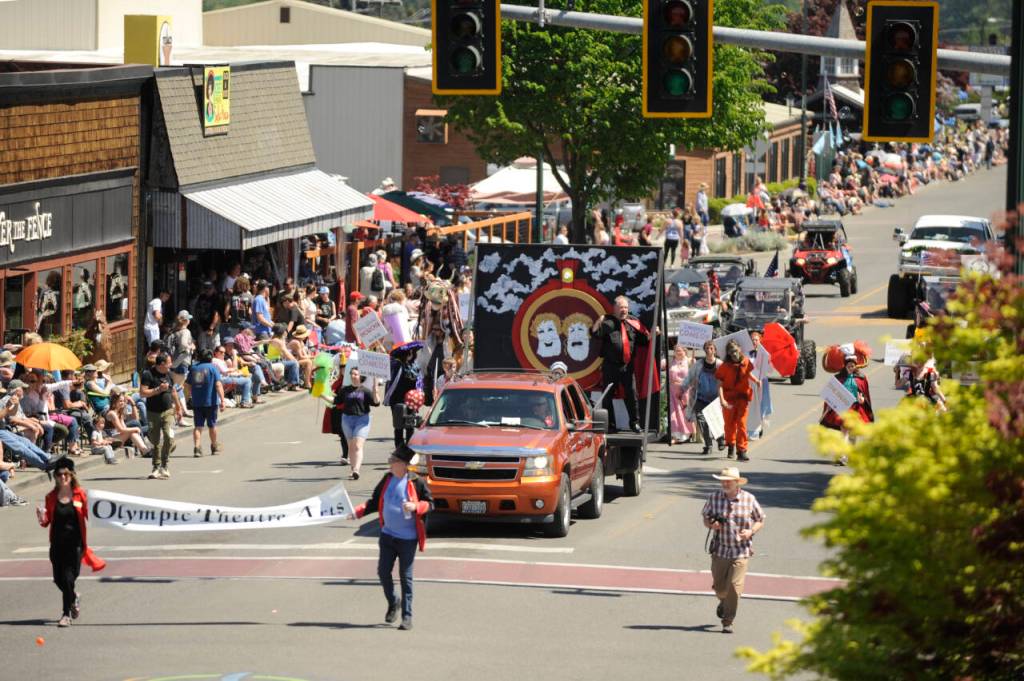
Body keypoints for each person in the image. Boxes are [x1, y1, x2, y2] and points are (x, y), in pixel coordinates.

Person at [348, 445, 434, 631]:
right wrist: (357, 513)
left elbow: (431, 504)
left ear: (403, 465)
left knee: (406, 577)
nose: (390, 463)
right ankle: (393, 601)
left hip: (408, 539)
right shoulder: (387, 479)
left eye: (393, 460)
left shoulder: (417, 482)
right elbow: (374, 501)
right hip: (387, 535)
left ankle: (407, 617)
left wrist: (415, 506)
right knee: (383, 573)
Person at [36, 457, 106, 627]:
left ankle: (65, 614)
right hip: (57, 545)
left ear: (72, 475)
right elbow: (47, 522)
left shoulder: (80, 494)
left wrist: (109, 515)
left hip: (75, 545)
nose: (63, 477)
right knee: (58, 579)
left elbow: (94, 515)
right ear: (55, 476)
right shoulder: (51, 497)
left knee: (68, 579)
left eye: (66, 474)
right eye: (59, 475)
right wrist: (41, 517)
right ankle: (74, 597)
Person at [701, 466, 765, 634]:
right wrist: (711, 524)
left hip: (741, 551)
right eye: (723, 480)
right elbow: (705, 518)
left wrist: (751, 531)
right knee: (720, 588)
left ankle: (728, 620)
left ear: (737, 483)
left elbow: (760, 519)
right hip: (720, 550)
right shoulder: (714, 498)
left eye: (728, 481)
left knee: (735, 588)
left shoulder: (749, 499)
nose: (725, 483)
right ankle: (723, 601)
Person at [591, 296, 650, 432]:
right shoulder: (608, 322)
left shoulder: (634, 322)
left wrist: (653, 334)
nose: (624, 310)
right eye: (621, 307)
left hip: (627, 367)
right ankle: (610, 425)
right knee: (607, 396)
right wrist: (599, 321)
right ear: (615, 308)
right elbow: (595, 334)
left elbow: (644, 340)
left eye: (626, 307)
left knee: (632, 394)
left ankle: (634, 423)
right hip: (610, 366)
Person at [820, 352, 874, 466]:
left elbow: (865, 395)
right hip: (843, 408)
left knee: (853, 433)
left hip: (856, 408)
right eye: (849, 366)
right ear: (845, 366)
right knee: (844, 431)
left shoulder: (861, 379)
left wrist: (862, 400)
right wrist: (828, 407)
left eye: (853, 366)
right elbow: (832, 395)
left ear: (856, 366)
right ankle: (843, 456)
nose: (851, 368)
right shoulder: (838, 378)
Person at [140, 353, 184, 480]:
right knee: (155, 441)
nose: (171, 365)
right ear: (162, 364)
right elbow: (143, 393)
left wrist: (178, 407)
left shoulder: (169, 374)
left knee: (169, 436)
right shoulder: (148, 374)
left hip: (167, 411)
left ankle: (164, 466)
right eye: (169, 363)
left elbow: (173, 391)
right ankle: (156, 468)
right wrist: (158, 389)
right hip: (153, 412)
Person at [715, 340, 759, 462]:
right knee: (729, 425)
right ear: (728, 353)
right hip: (729, 398)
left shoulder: (746, 362)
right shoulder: (725, 366)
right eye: (731, 352)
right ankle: (731, 445)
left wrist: (756, 381)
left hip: (742, 398)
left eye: (735, 350)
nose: (734, 354)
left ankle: (742, 450)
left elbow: (748, 373)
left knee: (742, 425)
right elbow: (719, 385)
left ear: (739, 349)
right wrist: (722, 400)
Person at [334, 366, 381, 480]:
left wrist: (375, 391)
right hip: (347, 419)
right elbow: (335, 401)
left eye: (356, 374)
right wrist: (321, 394)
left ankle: (356, 470)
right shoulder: (345, 390)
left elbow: (376, 403)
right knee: (351, 446)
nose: (353, 376)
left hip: (362, 420)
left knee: (358, 445)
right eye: (352, 374)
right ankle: (352, 468)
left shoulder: (365, 390)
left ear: (361, 377)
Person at [684, 340, 726, 455]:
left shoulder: (720, 364)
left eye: (711, 348)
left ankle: (720, 439)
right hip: (701, 397)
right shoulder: (699, 364)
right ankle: (708, 445)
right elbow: (689, 377)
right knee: (702, 420)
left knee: (715, 420)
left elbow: (727, 379)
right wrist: (682, 389)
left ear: (715, 350)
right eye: (707, 348)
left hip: (715, 398)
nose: (709, 350)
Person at [187, 348, 225, 460]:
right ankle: (214, 445)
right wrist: (222, 400)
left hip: (197, 402)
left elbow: (187, 385)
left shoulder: (194, 368)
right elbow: (218, 385)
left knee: (198, 426)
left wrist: (188, 397)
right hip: (211, 402)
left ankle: (197, 448)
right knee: (212, 425)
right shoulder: (213, 368)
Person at [385, 348, 419, 448]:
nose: (411, 355)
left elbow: (418, 382)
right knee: (398, 426)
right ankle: (399, 448)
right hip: (397, 400)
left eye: (413, 353)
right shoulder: (396, 365)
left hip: (411, 400)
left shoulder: (415, 366)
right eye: (409, 353)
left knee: (410, 426)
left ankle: (409, 448)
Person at [746, 329, 773, 440]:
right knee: (750, 407)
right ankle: (750, 429)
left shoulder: (765, 354)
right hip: (750, 382)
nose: (754, 342)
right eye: (752, 340)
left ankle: (759, 427)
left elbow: (770, 371)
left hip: (762, 383)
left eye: (756, 340)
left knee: (761, 406)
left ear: (760, 341)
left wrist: (768, 362)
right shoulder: (747, 354)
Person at [666, 344, 696, 445]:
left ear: (685, 351)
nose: (678, 352)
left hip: (685, 391)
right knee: (674, 414)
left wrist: (693, 363)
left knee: (684, 413)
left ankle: (685, 435)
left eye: (680, 350)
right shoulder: (670, 361)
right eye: (676, 351)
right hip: (673, 391)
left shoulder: (689, 361)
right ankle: (676, 435)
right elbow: (659, 364)